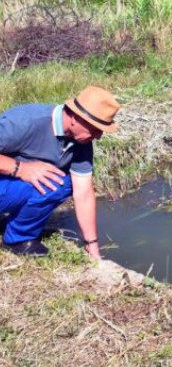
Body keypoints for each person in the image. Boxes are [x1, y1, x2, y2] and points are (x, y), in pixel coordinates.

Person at [0, 86, 120, 258]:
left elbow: (83, 192)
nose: (98, 136)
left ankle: (18, 239)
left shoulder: (82, 142)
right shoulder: (25, 121)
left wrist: (92, 245)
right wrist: (19, 168)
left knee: (62, 183)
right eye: (95, 129)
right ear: (75, 118)